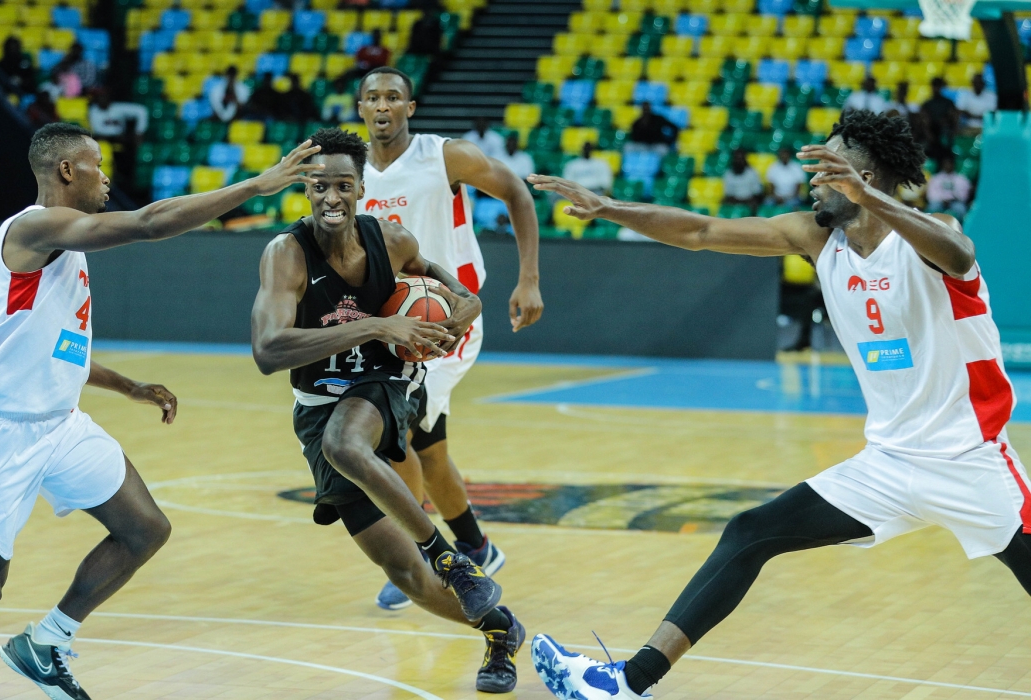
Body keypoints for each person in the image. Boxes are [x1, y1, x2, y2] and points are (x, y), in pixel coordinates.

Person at [527, 110, 1030, 700]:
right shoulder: (818, 240)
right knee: (750, 531)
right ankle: (628, 682)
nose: (811, 181)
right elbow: (701, 231)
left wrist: (867, 196)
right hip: (889, 464)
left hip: (970, 459)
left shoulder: (926, 235)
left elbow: (958, 252)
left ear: (863, 175)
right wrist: (612, 208)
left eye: (826, 168)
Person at [0, 123, 320, 700]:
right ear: (66, 170)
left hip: (61, 424)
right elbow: (149, 223)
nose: (107, 175)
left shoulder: (69, 243)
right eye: (97, 163)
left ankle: (47, 642)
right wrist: (257, 185)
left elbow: (58, 345)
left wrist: (127, 386)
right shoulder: (35, 228)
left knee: (145, 529)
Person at [250, 127, 525, 693]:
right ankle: (503, 632)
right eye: (320, 185)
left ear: (360, 188)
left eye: (343, 185)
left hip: (388, 381)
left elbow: (462, 297)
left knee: (347, 444)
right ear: (306, 188)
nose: (331, 196)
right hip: (316, 405)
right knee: (406, 576)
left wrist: (455, 319)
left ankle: (448, 555)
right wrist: (375, 323)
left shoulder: (392, 241)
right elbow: (267, 352)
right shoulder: (286, 254)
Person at [356, 67, 544, 610]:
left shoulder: (445, 156)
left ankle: (422, 559)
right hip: (392, 327)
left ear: (410, 108)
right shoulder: (351, 172)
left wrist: (527, 278)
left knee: (398, 431)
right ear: (361, 109)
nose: (383, 105)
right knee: (429, 449)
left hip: (451, 316)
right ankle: (476, 546)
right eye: (373, 97)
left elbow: (516, 193)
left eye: (394, 96)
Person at [921, 77, 959, 161]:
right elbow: (924, 121)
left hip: (945, 134)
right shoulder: (927, 104)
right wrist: (928, 134)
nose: (936, 89)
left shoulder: (948, 103)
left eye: (938, 86)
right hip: (932, 134)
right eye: (934, 86)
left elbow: (954, 117)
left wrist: (954, 131)